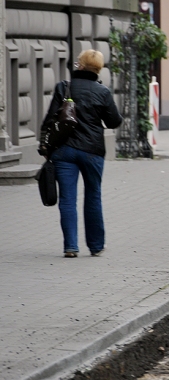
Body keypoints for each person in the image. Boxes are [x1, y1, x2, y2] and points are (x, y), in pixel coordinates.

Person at [47, 50, 123, 257]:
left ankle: (71, 247)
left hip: (64, 150)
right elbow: (113, 122)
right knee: (93, 196)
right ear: (98, 69)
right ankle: (96, 246)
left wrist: (46, 147)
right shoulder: (103, 92)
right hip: (92, 152)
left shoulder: (64, 87)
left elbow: (49, 120)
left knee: (67, 199)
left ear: (80, 65)